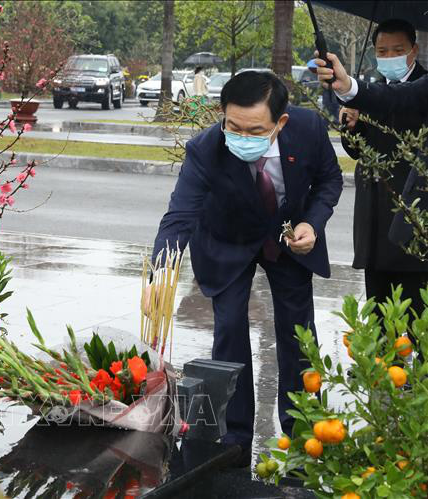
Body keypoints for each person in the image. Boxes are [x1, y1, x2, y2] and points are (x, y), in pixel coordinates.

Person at [147, 71, 343, 465]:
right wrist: (160, 273)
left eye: (255, 131)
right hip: (227, 240)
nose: (241, 136)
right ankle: (233, 435)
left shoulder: (307, 128)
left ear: (280, 122)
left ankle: (304, 429)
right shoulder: (205, 149)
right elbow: (180, 214)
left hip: (287, 238)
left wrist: (312, 224)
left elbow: (329, 181)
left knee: (298, 332)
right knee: (230, 328)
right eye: (232, 126)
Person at [339, 19, 428, 312]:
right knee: (377, 323)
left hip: (411, 218)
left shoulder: (419, 90)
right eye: (383, 51)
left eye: (397, 50)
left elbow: (400, 102)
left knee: (413, 319)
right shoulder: (371, 91)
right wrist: (351, 126)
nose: (389, 57)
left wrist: (355, 90)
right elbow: (355, 150)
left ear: (413, 51)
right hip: (373, 220)